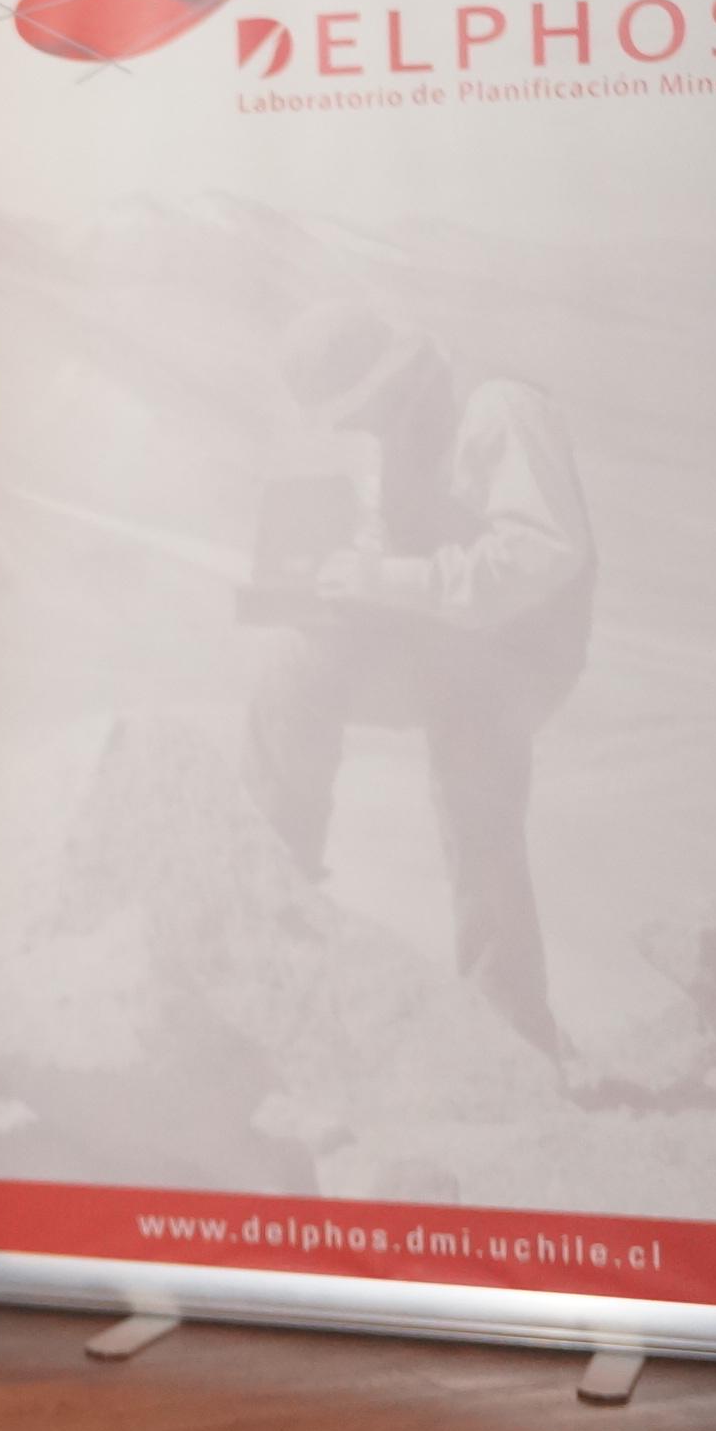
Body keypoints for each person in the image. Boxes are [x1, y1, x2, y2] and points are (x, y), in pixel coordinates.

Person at [247, 300, 595, 1060]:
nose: (353, 428)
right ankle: (273, 905)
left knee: (476, 796)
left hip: (518, 649)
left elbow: (545, 556)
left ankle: (514, 1037)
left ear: (387, 377)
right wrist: (338, 583)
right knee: (287, 660)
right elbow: (397, 533)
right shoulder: (399, 421)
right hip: (445, 633)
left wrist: (390, 580)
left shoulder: (498, 406)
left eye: (354, 411)